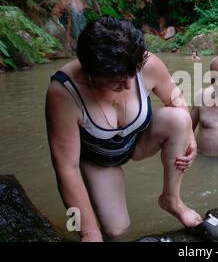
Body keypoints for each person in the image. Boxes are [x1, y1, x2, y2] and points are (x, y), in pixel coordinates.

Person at [45, 16, 203, 242]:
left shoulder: (144, 63)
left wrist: (190, 137)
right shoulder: (63, 93)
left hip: (138, 142)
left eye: (132, 76)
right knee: (116, 231)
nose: (129, 85)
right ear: (92, 73)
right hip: (98, 159)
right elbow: (66, 169)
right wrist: (88, 232)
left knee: (179, 119)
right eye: (117, 81)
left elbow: (175, 97)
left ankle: (172, 200)